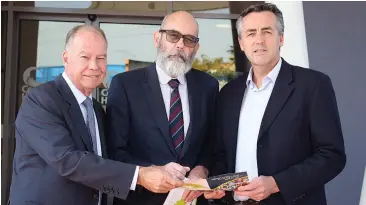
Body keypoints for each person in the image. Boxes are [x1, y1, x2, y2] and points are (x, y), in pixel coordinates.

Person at [9, 25, 183, 205]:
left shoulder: (96, 110)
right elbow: (67, 161)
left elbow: (103, 164)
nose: (94, 66)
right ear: (66, 58)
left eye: (101, 58)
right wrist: (139, 175)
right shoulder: (42, 100)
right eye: (85, 57)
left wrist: (155, 169)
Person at [205, 3, 346, 205]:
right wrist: (216, 185)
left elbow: (332, 156)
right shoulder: (229, 93)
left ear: (281, 38)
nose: (259, 40)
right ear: (241, 42)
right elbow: (221, 155)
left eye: (267, 32)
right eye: (251, 33)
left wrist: (276, 183)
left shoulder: (313, 85)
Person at [106, 11, 219, 205]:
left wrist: (202, 168)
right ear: (157, 38)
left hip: (191, 200)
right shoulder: (125, 85)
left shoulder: (207, 86)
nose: (180, 45)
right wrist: (149, 171)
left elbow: (212, 142)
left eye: (189, 39)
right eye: (173, 36)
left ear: (196, 47)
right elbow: (114, 151)